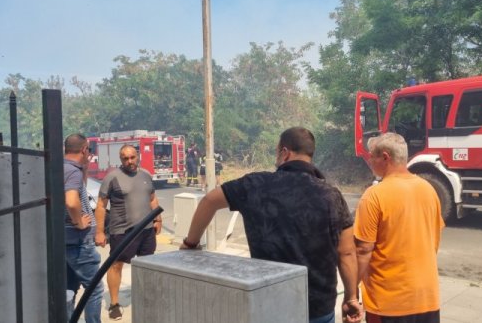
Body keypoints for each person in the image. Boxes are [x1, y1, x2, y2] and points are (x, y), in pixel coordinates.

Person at [180, 127, 363, 323]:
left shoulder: (255, 184)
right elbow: (347, 252)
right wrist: (351, 297)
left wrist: (191, 244)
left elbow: (209, 201)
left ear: (284, 153)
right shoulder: (331, 195)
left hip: (269, 304)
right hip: (318, 309)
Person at [354, 133, 445, 323]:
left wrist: (351, 291)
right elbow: (433, 239)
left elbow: (363, 250)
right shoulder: (429, 190)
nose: (370, 160)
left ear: (385, 157)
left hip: (388, 302)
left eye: (372, 156)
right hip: (426, 298)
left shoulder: (374, 195)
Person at [94, 144, 162, 320]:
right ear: (121, 159)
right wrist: (99, 232)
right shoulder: (112, 178)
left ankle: (146, 298)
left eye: (132, 157)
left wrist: (158, 220)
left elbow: (153, 199)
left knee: (147, 265)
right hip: (122, 231)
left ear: (137, 156)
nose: (129, 161)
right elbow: (101, 206)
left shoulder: (146, 175)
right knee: (116, 265)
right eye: (125, 158)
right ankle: (114, 304)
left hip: (146, 231)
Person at [63, 133, 103, 323]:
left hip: (65, 241)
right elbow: (71, 202)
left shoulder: (61, 168)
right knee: (94, 289)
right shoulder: (72, 171)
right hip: (79, 243)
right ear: (84, 149)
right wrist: (79, 221)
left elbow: (80, 191)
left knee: (70, 289)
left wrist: (84, 168)